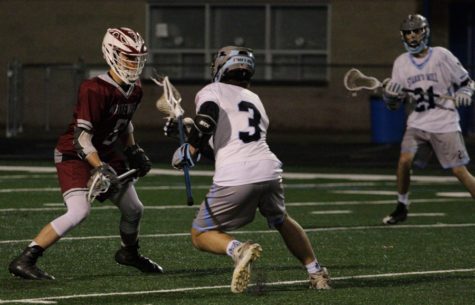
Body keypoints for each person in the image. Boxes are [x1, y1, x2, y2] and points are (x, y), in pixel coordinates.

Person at [167, 46, 331, 293]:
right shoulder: (254, 99)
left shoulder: (211, 90)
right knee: (281, 219)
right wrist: (192, 137)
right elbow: (223, 144)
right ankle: (316, 272)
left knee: (200, 233)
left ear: (221, 68)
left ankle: (238, 249)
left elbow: (208, 120)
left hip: (236, 175)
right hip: (268, 170)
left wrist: (190, 148)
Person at [8, 27, 163, 280]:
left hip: (103, 153)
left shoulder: (135, 89)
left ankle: (129, 253)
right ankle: (26, 258)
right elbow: (82, 138)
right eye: (128, 57)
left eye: (138, 59)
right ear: (111, 54)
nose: (134, 64)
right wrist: (100, 167)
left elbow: (125, 123)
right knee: (79, 211)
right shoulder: (94, 88)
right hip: (75, 154)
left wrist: (133, 149)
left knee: (134, 209)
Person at [382, 14, 475, 225]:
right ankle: (402, 205)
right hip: (417, 123)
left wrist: (466, 93)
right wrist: (390, 95)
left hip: (445, 121)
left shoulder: (441, 56)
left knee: (459, 170)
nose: (413, 36)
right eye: (408, 33)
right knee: (404, 160)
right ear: (403, 36)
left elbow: (468, 82)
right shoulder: (401, 63)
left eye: (416, 31)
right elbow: (393, 105)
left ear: (425, 32)